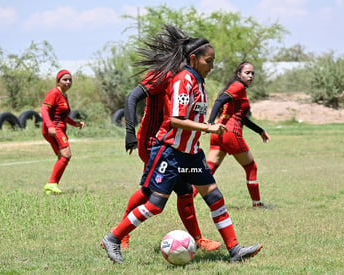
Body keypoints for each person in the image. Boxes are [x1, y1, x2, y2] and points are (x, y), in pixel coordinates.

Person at [101, 25, 263, 264]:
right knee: (155, 203)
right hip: (169, 153)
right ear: (194, 59)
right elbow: (175, 120)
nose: (212, 65)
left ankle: (234, 249)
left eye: (214, 61)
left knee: (214, 196)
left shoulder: (199, 83)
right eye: (209, 61)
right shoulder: (182, 81)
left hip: (192, 155)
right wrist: (208, 127)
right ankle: (114, 238)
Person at [120, 68, 221, 251]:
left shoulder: (186, 77)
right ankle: (119, 235)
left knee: (181, 190)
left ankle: (198, 240)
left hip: (172, 145)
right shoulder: (161, 74)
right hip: (153, 142)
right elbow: (131, 98)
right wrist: (129, 133)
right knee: (154, 191)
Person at [204, 62, 271, 207]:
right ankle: (257, 204)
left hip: (219, 134)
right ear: (239, 74)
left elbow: (242, 118)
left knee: (208, 171)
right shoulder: (238, 86)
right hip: (230, 133)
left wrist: (260, 131)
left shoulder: (236, 88)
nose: (251, 76)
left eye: (253, 73)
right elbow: (219, 101)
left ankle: (187, 198)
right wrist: (210, 123)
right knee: (251, 167)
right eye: (247, 73)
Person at [40, 70, 85, 194]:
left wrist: (75, 123)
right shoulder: (54, 93)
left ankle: (52, 188)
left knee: (63, 156)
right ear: (58, 81)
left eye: (70, 80)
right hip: (54, 129)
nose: (68, 82)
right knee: (66, 154)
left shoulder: (64, 95)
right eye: (65, 79)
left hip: (59, 128)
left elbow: (63, 116)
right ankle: (51, 183)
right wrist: (50, 126)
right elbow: (43, 110)